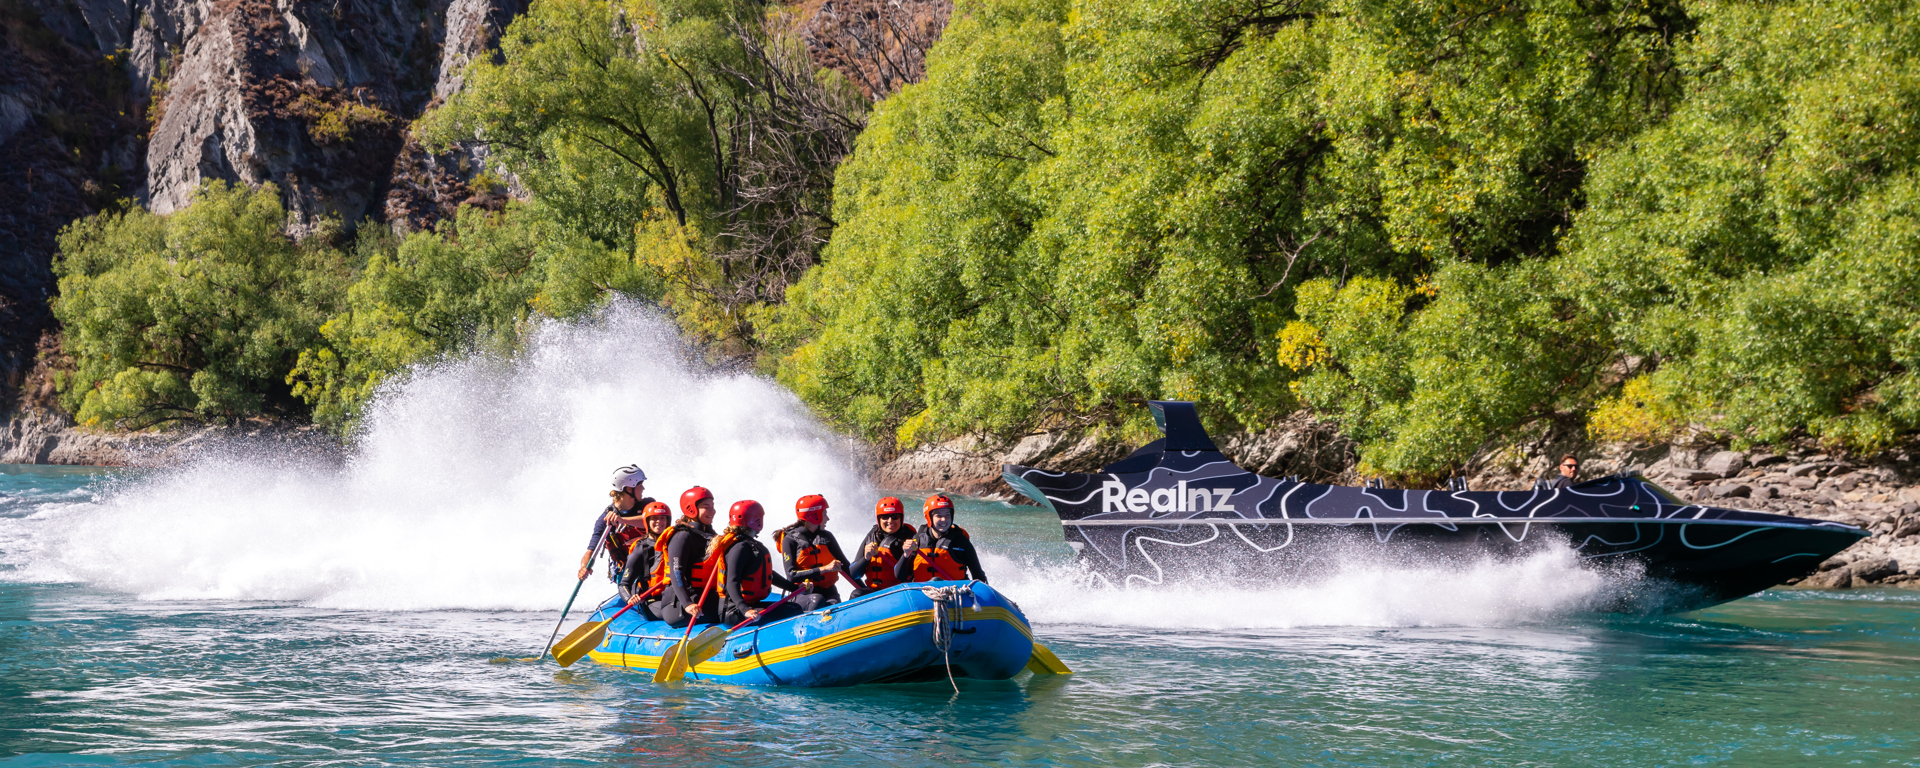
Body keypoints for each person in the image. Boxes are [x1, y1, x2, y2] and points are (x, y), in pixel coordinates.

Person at [706, 500, 801, 626]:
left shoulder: (749, 544)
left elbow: (767, 574)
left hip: (750, 605)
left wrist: (794, 588)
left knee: (793, 607)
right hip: (734, 612)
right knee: (791, 611)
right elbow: (732, 582)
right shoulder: (739, 548)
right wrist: (745, 610)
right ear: (756, 519)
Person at [655, 486, 720, 627]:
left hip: (704, 597)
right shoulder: (682, 536)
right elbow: (676, 572)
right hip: (678, 605)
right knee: (732, 611)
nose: (712, 511)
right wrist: (688, 604)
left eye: (713, 506)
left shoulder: (711, 536)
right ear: (692, 509)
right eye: (706, 507)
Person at [775, 494, 851, 611]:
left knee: (833, 603)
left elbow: (846, 567)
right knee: (817, 600)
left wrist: (866, 591)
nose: (828, 519)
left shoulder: (826, 537)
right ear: (815, 516)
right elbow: (791, 576)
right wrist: (824, 569)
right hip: (802, 594)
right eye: (825, 514)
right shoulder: (790, 540)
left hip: (829, 592)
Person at [578, 464, 652, 583]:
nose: (643, 488)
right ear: (629, 489)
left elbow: (650, 520)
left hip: (653, 563)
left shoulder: (648, 506)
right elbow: (590, 551)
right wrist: (583, 567)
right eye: (640, 485)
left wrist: (621, 520)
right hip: (627, 571)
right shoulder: (605, 519)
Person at [897, 494, 988, 584]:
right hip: (922, 593)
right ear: (929, 517)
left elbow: (978, 575)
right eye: (939, 516)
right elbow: (900, 576)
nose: (944, 519)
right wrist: (906, 555)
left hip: (954, 594)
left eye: (947, 515)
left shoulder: (961, 542)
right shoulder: (918, 540)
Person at [847, 497, 915, 597]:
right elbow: (854, 574)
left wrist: (905, 555)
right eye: (885, 517)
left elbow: (905, 576)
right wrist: (866, 558)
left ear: (901, 518)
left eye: (895, 516)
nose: (890, 521)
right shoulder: (872, 535)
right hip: (874, 592)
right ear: (878, 519)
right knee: (856, 594)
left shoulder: (910, 537)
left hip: (900, 592)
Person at [618, 501, 674, 619]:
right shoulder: (641, 548)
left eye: (662, 518)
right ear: (647, 522)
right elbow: (623, 584)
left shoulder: (675, 543)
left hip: (674, 597)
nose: (659, 521)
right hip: (652, 601)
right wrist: (630, 598)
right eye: (654, 518)